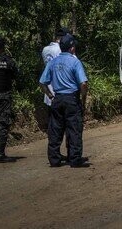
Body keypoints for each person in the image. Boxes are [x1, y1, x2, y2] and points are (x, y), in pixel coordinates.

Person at [39, 34, 90, 167]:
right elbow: (83, 84)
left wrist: (50, 96)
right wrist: (83, 99)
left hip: (57, 99)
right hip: (72, 99)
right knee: (74, 130)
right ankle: (74, 160)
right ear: (72, 48)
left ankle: (54, 160)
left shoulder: (52, 62)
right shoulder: (75, 62)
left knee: (55, 130)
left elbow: (42, 83)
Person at [41, 27, 71, 162]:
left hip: (49, 92)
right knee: (65, 126)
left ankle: (55, 153)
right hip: (61, 91)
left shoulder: (46, 49)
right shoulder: (60, 50)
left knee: (53, 127)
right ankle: (69, 153)